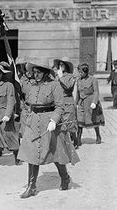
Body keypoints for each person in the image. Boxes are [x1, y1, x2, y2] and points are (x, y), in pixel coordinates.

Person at [18, 61, 79, 199]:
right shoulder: (32, 86)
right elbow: (28, 102)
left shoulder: (54, 85)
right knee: (32, 154)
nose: (36, 75)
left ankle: (65, 178)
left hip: (49, 122)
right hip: (33, 122)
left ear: (45, 73)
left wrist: (54, 120)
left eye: (38, 72)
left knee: (56, 152)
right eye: (34, 72)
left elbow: (60, 106)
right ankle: (31, 186)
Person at [76, 63, 106, 145]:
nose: (80, 73)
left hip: (91, 103)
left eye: (81, 72)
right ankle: (78, 139)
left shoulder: (93, 79)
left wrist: (94, 102)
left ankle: (98, 135)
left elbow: (96, 91)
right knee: (79, 120)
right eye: (79, 72)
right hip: (82, 103)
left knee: (94, 120)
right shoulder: (78, 80)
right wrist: (76, 103)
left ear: (86, 71)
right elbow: (78, 93)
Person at [53, 58, 79, 149]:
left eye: (62, 65)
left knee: (69, 123)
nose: (60, 67)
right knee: (61, 123)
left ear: (66, 66)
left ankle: (75, 140)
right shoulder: (57, 76)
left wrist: (61, 78)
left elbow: (68, 87)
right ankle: (64, 142)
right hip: (59, 102)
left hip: (68, 101)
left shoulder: (70, 76)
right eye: (59, 65)